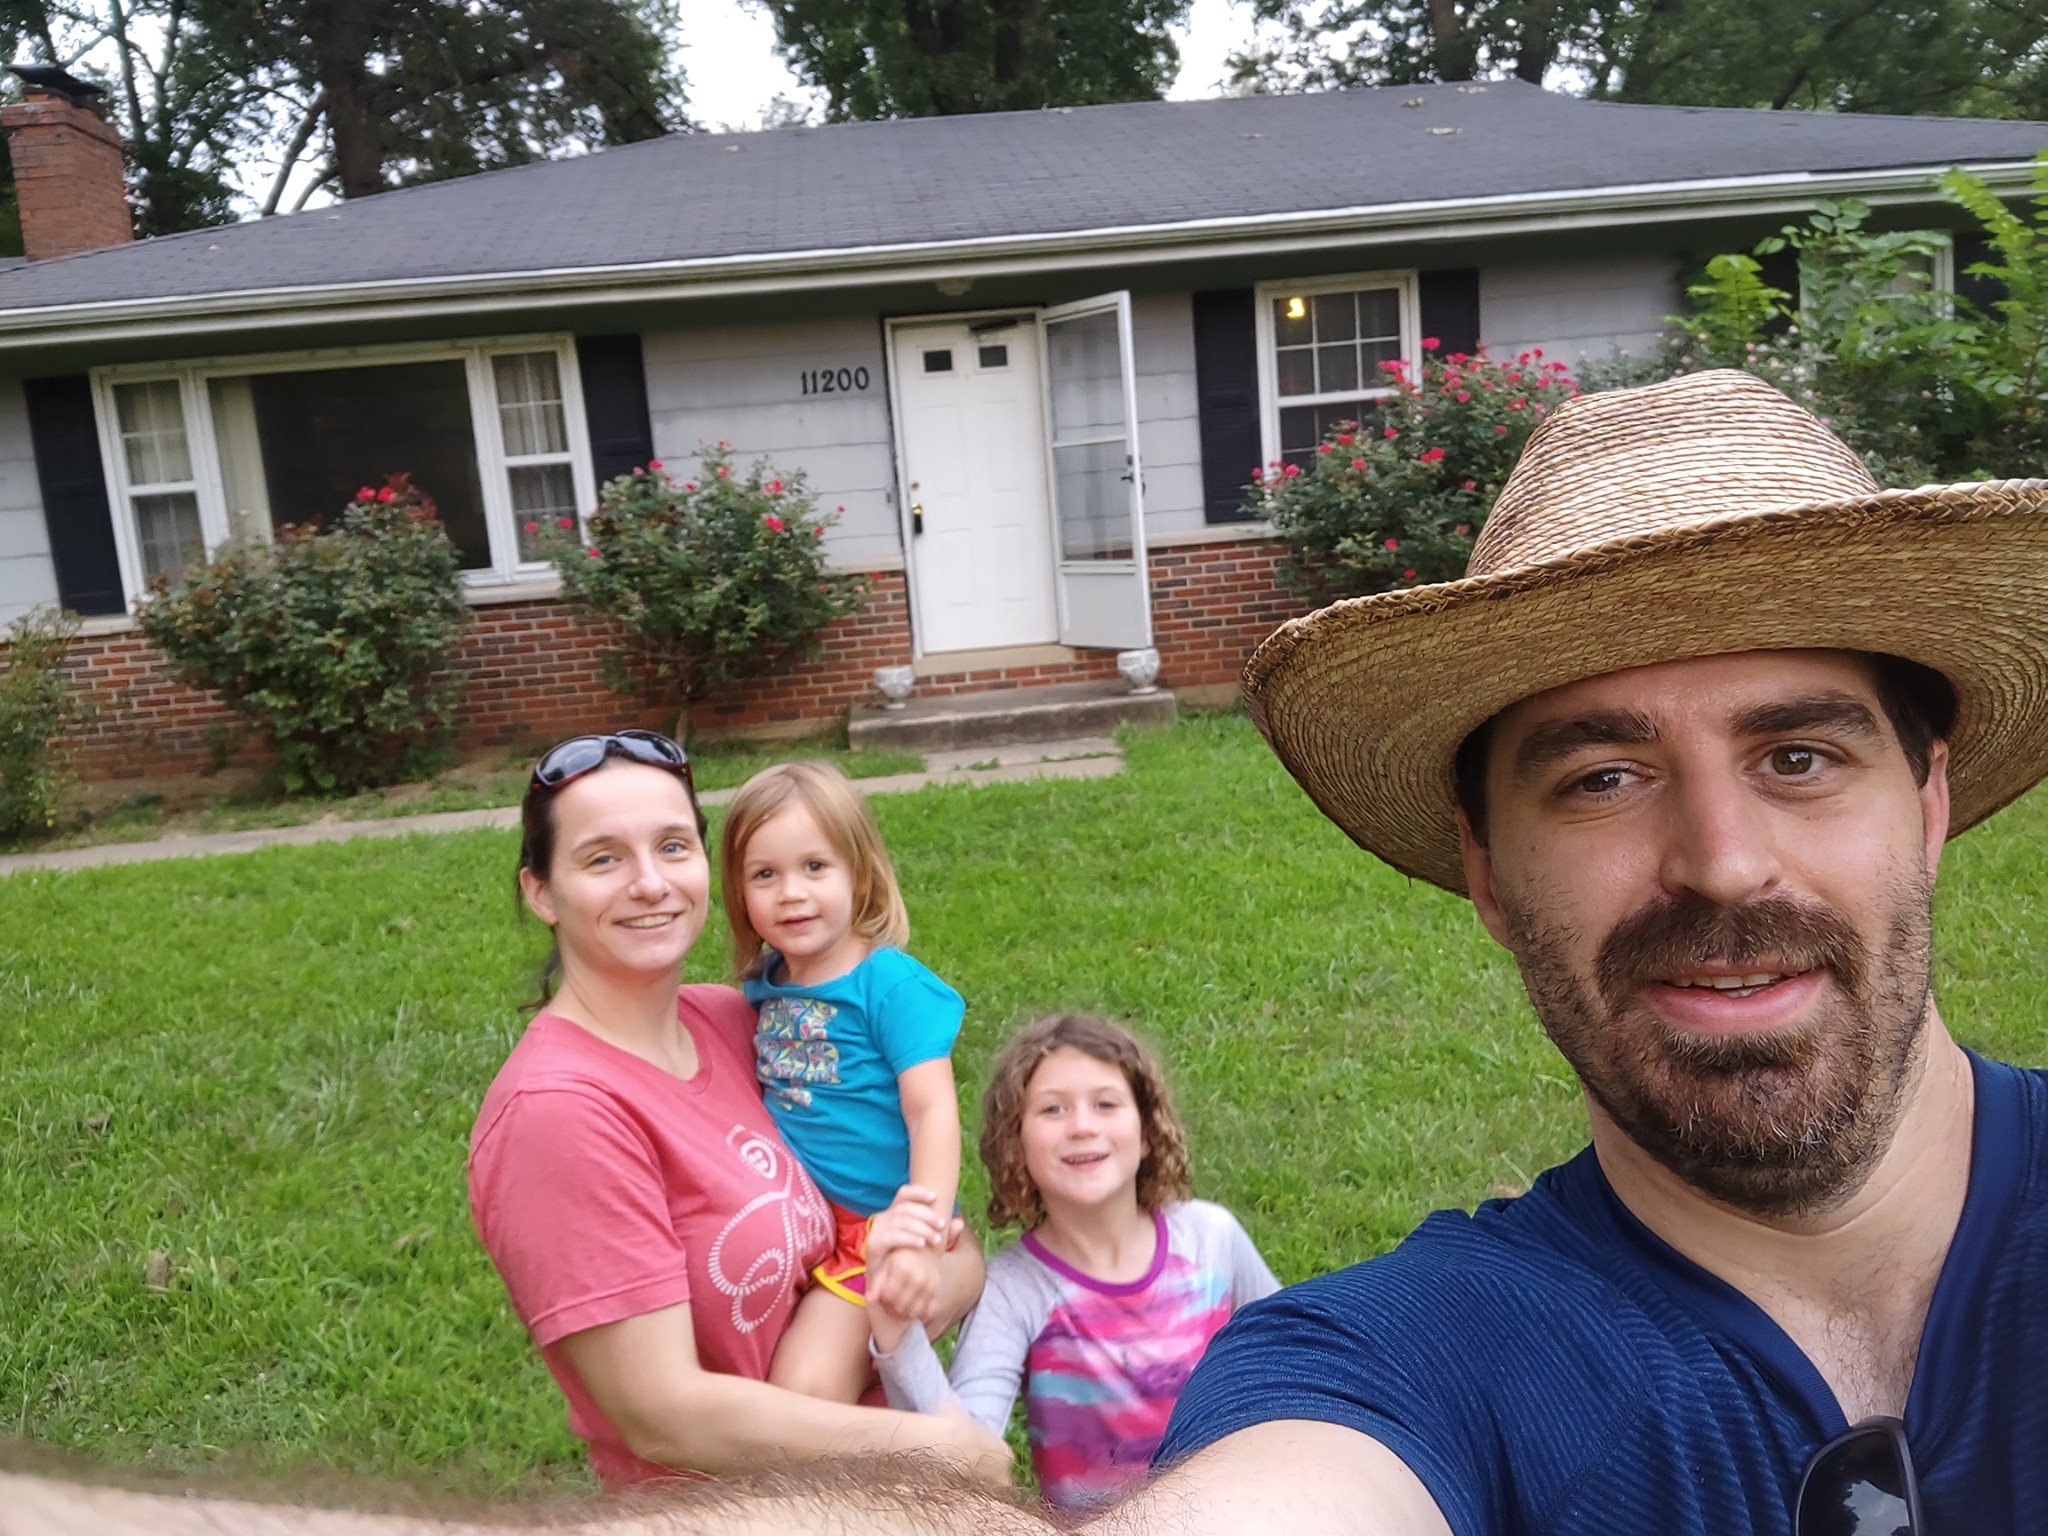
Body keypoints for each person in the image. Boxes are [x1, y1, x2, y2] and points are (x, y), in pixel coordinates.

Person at [13, 367, 2048, 1535]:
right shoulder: (1380, 1370)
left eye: (1801, 753)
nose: (1715, 860)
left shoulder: (768, 1019)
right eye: (1596, 776)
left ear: (1933, 793)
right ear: (1485, 860)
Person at [463, 731, 1006, 1485]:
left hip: (873, 1490)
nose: (650, 883)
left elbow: (953, 1247)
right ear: (540, 891)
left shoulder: (741, 1022)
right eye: (603, 858)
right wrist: (941, 1449)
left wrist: (931, 1271)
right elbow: (663, 1415)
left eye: (673, 847)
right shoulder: (556, 1116)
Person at [869, 1014, 1279, 1513]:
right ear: (1016, 1145)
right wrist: (895, 1329)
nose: (1082, 1126)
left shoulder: (1211, 1237)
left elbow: (1291, 1355)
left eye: (1106, 1104)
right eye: (1052, 1109)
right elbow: (963, 1453)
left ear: (1147, 1131)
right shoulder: (1014, 1288)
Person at [720, 761, 984, 1404]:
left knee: (804, 1391)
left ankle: (928, 1474)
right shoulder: (765, 989)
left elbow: (932, 1116)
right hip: (803, 1228)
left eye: (815, 866)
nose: (791, 892)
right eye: (765, 874)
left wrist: (921, 1240)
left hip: (881, 1230)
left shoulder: (890, 986)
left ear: (860, 872)